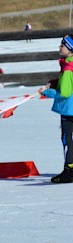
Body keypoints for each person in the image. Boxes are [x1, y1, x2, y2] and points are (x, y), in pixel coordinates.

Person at [38, 34, 73, 184]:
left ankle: (69, 171)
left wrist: (46, 92)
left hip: (68, 109)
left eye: (62, 45)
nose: (60, 47)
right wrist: (54, 82)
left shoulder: (68, 69)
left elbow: (64, 92)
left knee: (67, 140)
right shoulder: (69, 67)